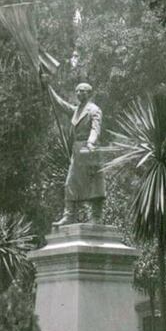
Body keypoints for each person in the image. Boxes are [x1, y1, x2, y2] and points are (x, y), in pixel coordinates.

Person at [47, 82, 104, 225]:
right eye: (77, 91)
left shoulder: (94, 110)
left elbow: (95, 129)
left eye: (82, 91)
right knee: (70, 182)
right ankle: (69, 215)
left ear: (89, 93)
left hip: (90, 150)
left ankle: (96, 216)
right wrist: (48, 86)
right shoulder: (76, 110)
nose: (79, 93)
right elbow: (60, 104)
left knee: (94, 184)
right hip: (77, 151)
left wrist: (91, 142)